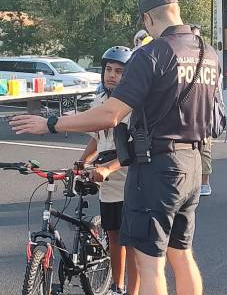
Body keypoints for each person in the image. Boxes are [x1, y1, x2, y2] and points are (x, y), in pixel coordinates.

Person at [10, 0, 221, 295]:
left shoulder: (152, 53)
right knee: (182, 254)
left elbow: (110, 114)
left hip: (157, 168)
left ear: (148, 18)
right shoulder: (207, 52)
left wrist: (52, 123)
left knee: (151, 264)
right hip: (192, 163)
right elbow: (216, 119)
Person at [78, 45, 139, 295]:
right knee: (113, 236)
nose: (112, 75)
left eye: (119, 71)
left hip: (127, 175)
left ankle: (133, 291)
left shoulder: (133, 102)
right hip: (106, 177)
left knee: (131, 241)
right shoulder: (101, 100)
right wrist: (81, 162)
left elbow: (135, 147)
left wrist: (108, 168)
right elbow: (97, 137)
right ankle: (118, 286)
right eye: (108, 69)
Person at [190, 24, 213, 196]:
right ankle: (191, 183)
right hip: (187, 112)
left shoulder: (209, 55)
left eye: (196, 35)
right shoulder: (183, 56)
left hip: (204, 111)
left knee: (204, 148)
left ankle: (205, 183)